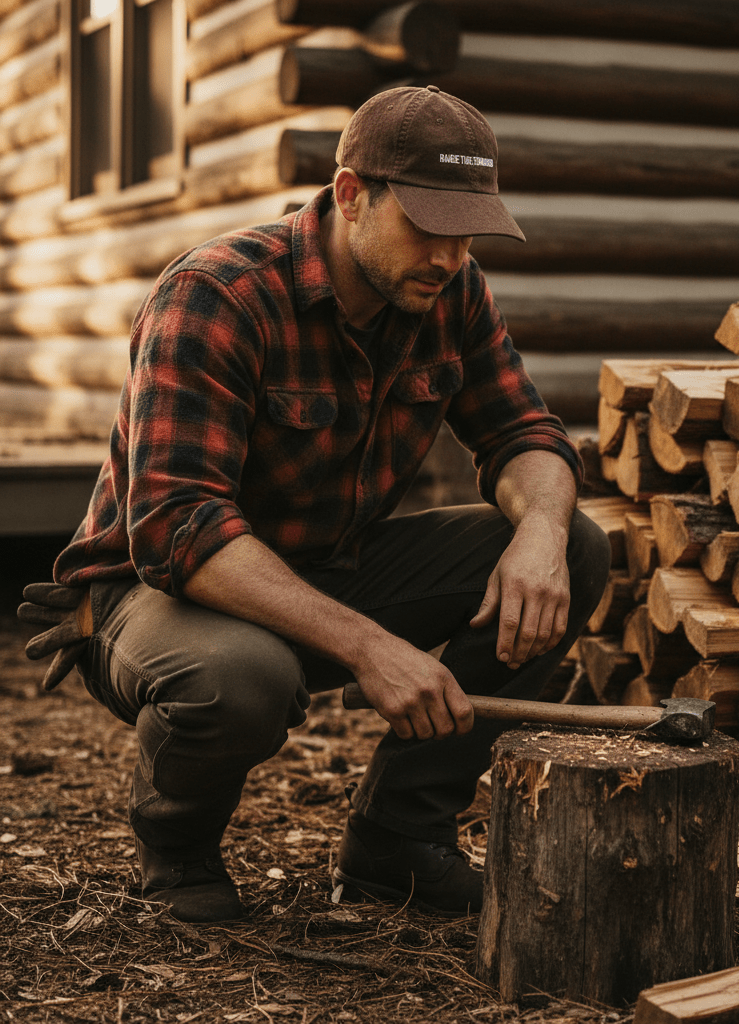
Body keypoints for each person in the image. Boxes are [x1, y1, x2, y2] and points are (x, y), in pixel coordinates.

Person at [18, 85, 611, 923]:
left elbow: (523, 434)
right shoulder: (217, 294)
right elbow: (177, 525)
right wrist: (372, 648)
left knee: (578, 548)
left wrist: (542, 533)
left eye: (467, 229)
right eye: (429, 226)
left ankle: (396, 841)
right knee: (242, 676)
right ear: (349, 195)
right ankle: (178, 851)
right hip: (156, 591)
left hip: (329, 568)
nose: (449, 256)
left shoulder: (450, 290)